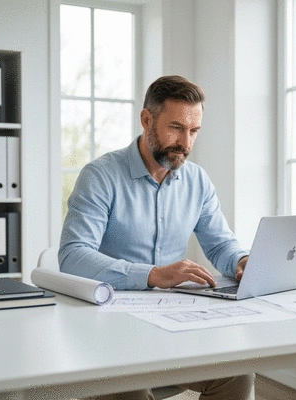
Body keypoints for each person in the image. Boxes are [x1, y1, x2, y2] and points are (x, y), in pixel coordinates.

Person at [59, 75, 254, 400]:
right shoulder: (101, 177)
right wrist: (153, 274)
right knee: (129, 388)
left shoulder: (197, 181)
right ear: (146, 120)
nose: (186, 143)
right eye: (176, 128)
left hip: (171, 323)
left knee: (237, 373)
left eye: (194, 131)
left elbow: (220, 244)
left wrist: (242, 260)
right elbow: (72, 256)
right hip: (109, 329)